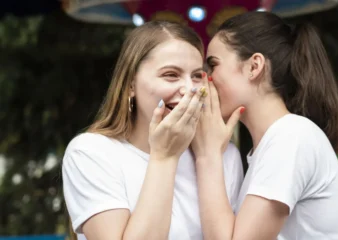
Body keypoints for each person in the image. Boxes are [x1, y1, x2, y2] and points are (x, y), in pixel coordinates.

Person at [62, 21, 244, 240]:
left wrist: (209, 158)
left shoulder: (224, 156)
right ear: (130, 84)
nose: (189, 89)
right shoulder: (91, 153)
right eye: (171, 75)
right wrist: (164, 157)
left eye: (197, 76)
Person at [192, 11, 338, 240]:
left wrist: (207, 155)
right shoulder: (278, 140)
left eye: (213, 65)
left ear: (254, 66)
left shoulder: (290, 136)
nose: (206, 79)